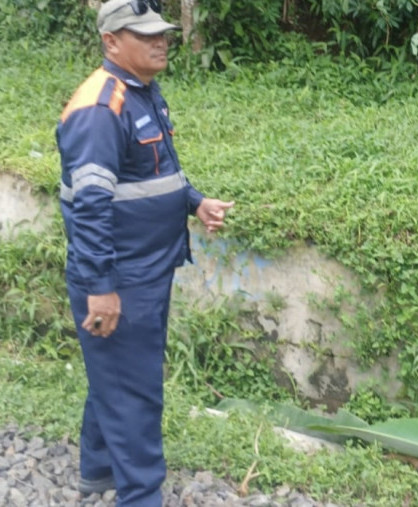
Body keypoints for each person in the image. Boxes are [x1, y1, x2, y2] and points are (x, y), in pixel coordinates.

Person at [56, 1, 234, 504]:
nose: (160, 41)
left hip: (147, 270)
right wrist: (101, 288)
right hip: (122, 277)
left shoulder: (140, 92)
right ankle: (141, 495)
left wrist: (195, 202)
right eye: (145, 34)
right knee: (135, 393)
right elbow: (90, 207)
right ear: (111, 42)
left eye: (162, 33)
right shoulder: (100, 108)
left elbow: (150, 172)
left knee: (114, 376)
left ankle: (97, 472)